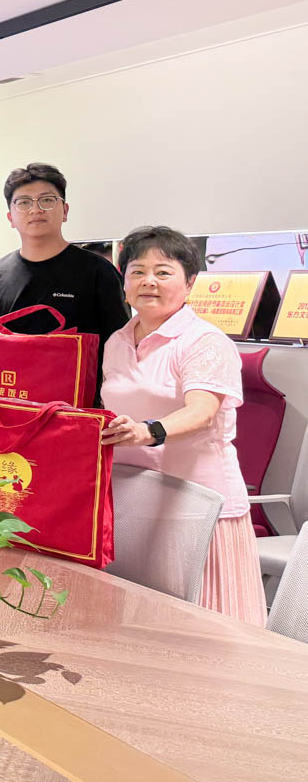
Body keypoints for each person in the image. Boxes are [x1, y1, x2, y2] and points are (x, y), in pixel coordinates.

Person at [100, 226, 268, 626]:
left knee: (207, 623)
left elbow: (202, 411)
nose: (149, 281)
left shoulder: (203, 340)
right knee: (145, 622)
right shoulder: (116, 341)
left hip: (195, 502)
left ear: (190, 283)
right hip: (134, 499)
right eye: (138, 271)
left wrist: (147, 431)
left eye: (163, 272)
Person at [0, 163, 129, 385]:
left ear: (65, 211)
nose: (35, 209)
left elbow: (120, 348)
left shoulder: (99, 272)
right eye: (24, 202)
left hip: (76, 401)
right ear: (10, 217)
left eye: (47, 200)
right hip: (6, 397)